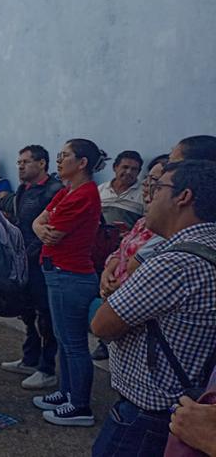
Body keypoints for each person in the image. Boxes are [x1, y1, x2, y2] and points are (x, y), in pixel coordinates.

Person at [91, 160, 216, 456]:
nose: (148, 195)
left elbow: (101, 324)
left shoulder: (175, 262)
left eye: (157, 187)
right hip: (184, 404)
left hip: (147, 415)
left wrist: (111, 296)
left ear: (183, 197)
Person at [31, 138, 106, 427]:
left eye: (65, 156)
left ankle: (79, 405)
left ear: (82, 162)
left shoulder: (83, 195)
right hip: (58, 272)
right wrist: (40, 227)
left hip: (70, 274)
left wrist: (42, 227)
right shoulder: (68, 191)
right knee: (64, 339)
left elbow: (54, 233)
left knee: (74, 343)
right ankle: (66, 392)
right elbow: (40, 223)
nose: (59, 161)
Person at [0, 145, 63, 390]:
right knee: (27, 312)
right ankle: (30, 358)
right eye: (19, 161)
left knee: (46, 316)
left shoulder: (53, 191)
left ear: (42, 164)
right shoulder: (23, 189)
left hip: (43, 263)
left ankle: (47, 369)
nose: (20, 166)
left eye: (26, 162)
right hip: (23, 261)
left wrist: (29, 254)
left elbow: (50, 231)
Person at [98, 157, 168, 300]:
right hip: (106, 259)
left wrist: (118, 287)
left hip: (131, 296)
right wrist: (107, 274)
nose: (146, 185)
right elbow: (120, 253)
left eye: (154, 181)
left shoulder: (165, 228)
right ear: (115, 168)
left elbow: (139, 268)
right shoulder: (142, 223)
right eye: (124, 167)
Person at [98, 150, 145, 229]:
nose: (129, 172)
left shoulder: (144, 193)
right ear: (115, 167)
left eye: (134, 169)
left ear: (139, 172)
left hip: (129, 240)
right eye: (125, 167)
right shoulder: (100, 190)